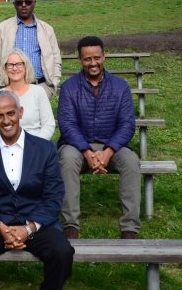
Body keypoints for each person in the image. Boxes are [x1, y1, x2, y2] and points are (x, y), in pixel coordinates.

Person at [0, 90, 74, 290]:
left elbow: (53, 195)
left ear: (20, 112)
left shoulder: (45, 149)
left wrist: (28, 228)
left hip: (37, 222)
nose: (6, 120)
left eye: (11, 113)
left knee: (62, 252)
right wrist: (1, 228)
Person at [57, 36, 140, 240]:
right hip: (76, 147)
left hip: (111, 146)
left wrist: (108, 151)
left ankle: (129, 227)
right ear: (80, 60)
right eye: (87, 59)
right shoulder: (69, 87)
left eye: (97, 58)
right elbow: (67, 125)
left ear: (104, 57)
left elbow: (127, 124)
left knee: (131, 161)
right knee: (66, 159)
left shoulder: (121, 87)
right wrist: (87, 151)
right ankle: (71, 225)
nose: (92, 63)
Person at [0, 0, 61, 98]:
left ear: (34, 3)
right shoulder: (3, 28)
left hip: (40, 87)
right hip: (10, 88)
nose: (23, 5)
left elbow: (56, 58)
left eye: (28, 2)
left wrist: (53, 83)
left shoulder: (47, 29)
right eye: (19, 2)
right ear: (14, 4)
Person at [0, 49, 55, 141]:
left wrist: (36, 145)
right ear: (5, 69)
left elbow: (48, 125)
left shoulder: (38, 91)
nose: (14, 68)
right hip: (7, 146)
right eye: (10, 65)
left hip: (36, 145)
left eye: (19, 64)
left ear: (26, 67)